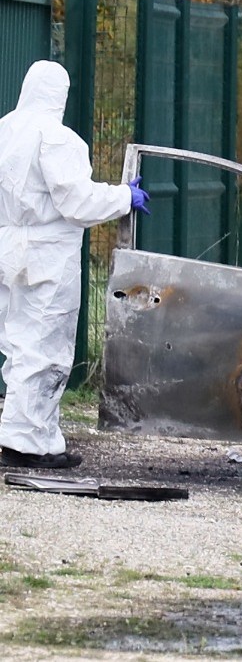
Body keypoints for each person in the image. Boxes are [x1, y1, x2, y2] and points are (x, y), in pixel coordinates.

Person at [0, 60, 149, 469]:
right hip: (46, 254)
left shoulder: (5, 130)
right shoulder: (56, 138)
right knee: (44, 348)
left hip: (8, 249)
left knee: (19, 345)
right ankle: (23, 443)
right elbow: (76, 201)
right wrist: (123, 197)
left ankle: (42, 439)